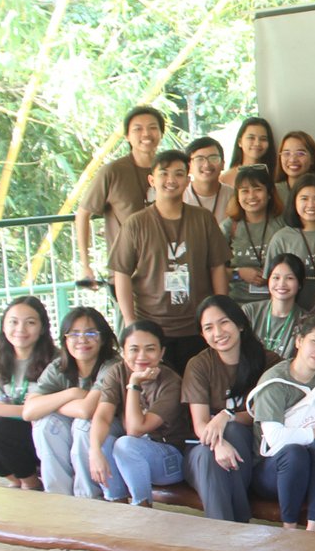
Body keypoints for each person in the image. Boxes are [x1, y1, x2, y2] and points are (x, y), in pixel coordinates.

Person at [112, 149, 232, 373]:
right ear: (152, 180)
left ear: (187, 180)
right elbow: (122, 274)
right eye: (164, 174)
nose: (171, 180)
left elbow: (217, 266)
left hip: (197, 325)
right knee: (157, 387)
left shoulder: (203, 219)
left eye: (178, 174)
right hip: (152, 328)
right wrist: (130, 322)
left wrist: (220, 311)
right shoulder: (135, 223)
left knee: (198, 384)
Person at [182, 296, 278, 523]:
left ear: (240, 324)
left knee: (232, 431)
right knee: (207, 456)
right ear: (202, 335)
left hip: (251, 451)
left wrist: (226, 417)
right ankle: (234, 530)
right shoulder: (199, 365)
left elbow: (266, 414)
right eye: (208, 327)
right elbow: (200, 424)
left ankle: (221, 537)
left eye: (224, 322)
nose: (218, 332)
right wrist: (218, 444)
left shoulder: (268, 362)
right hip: (202, 448)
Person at [248, 316, 315, 531]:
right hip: (272, 471)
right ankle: (289, 529)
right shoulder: (274, 382)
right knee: (295, 452)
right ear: (299, 341)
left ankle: (313, 530)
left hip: (312, 471)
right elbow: (275, 438)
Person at [88, 320, 190, 507]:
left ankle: (142, 509)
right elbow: (102, 416)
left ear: (162, 353)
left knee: (126, 445)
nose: (141, 356)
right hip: (133, 457)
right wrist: (94, 451)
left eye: (150, 349)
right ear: (123, 353)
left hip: (171, 459)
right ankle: (116, 505)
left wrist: (134, 384)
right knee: (101, 440)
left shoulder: (171, 382)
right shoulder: (117, 372)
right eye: (134, 349)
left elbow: (135, 430)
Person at [24, 307, 117, 497]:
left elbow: (86, 410)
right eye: (74, 334)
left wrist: (51, 404)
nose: (82, 340)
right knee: (45, 425)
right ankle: (59, 499)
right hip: (77, 426)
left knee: (83, 426)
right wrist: (73, 393)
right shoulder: (59, 366)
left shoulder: (112, 365)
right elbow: (29, 411)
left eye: (90, 333)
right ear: (65, 340)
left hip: (112, 427)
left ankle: (88, 499)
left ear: (103, 338)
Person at [0, 298, 56, 489]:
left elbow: (34, 412)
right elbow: (3, 404)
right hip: (13, 431)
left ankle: (30, 485)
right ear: (3, 326)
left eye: (30, 322)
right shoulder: (3, 360)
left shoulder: (55, 362)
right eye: (13, 322)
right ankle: (17, 481)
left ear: (42, 327)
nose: (20, 329)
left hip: (45, 433)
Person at [77, 105, 163, 283]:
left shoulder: (169, 170)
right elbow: (83, 214)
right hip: (126, 272)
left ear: (161, 133)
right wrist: (86, 265)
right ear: (127, 136)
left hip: (166, 268)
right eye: (138, 129)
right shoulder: (112, 171)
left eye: (153, 128)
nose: (146, 134)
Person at [265, 174, 315, 311]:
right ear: (294, 201)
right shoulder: (281, 238)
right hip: (293, 311)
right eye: (304, 198)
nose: (311, 205)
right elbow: (272, 285)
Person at [225, 165, 283, 304]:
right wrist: (239, 274)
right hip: (237, 303)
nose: (251, 196)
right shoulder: (229, 227)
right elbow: (214, 271)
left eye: (258, 189)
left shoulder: (282, 225)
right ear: (237, 196)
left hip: (275, 303)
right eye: (245, 191)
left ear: (269, 193)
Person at [243, 254, 305, 359]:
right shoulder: (250, 311)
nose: (281, 284)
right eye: (276, 277)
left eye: (289, 278)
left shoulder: (305, 320)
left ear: (299, 284)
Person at [183, 136, 234, 218]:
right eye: (199, 159)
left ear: (223, 164)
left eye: (213, 158)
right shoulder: (180, 196)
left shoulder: (233, 196)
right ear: (189, 166)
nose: (207, 165)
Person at [220, 116, 277, 186]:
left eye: (263, 139)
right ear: (240, 142)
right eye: (251, 138)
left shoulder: (275, 175)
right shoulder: (225, 178)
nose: (257, 143)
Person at [273, 130, 315, 208]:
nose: (292, 160)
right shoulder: (273, 192)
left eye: (300, 153)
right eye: (287, 153)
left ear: (312, 159)